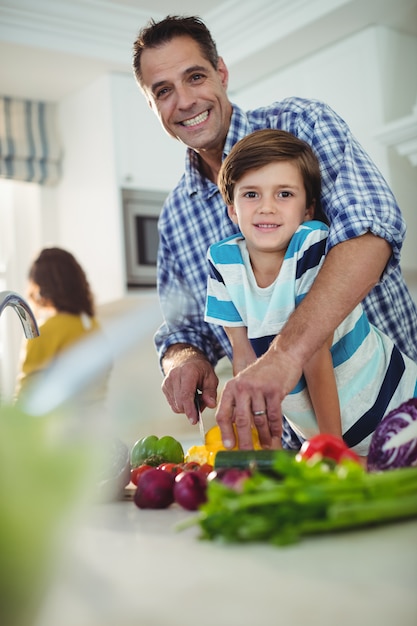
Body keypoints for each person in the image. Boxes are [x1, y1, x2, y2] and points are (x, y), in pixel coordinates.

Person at [132, 15, 417, 451]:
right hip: (297, 450)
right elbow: (185, 328)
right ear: (152, 107)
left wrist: (284, 356)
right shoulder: (176, 215)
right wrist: (183, 360)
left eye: (195, 76)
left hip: (398, 412)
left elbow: (370, 233)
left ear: (221, 73)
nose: (185, 100)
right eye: (163, 90)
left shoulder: (303, 124)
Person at [204, 129, 417, 460]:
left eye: (284, 194)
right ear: (232, 210)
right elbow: (245, 362)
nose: (267, 208)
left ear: (307, 210)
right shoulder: (223, 262)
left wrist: (332, 452)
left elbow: (316, 352)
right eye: (251, 195)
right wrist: (268, 456)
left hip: (396, 408)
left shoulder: (310, 243)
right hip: (335, 442)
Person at [15, 247, 109, 409]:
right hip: (95, 424)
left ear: (41, 288)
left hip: (58, 429)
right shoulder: (91, 325)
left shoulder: (42, 331)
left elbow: (26, 396)